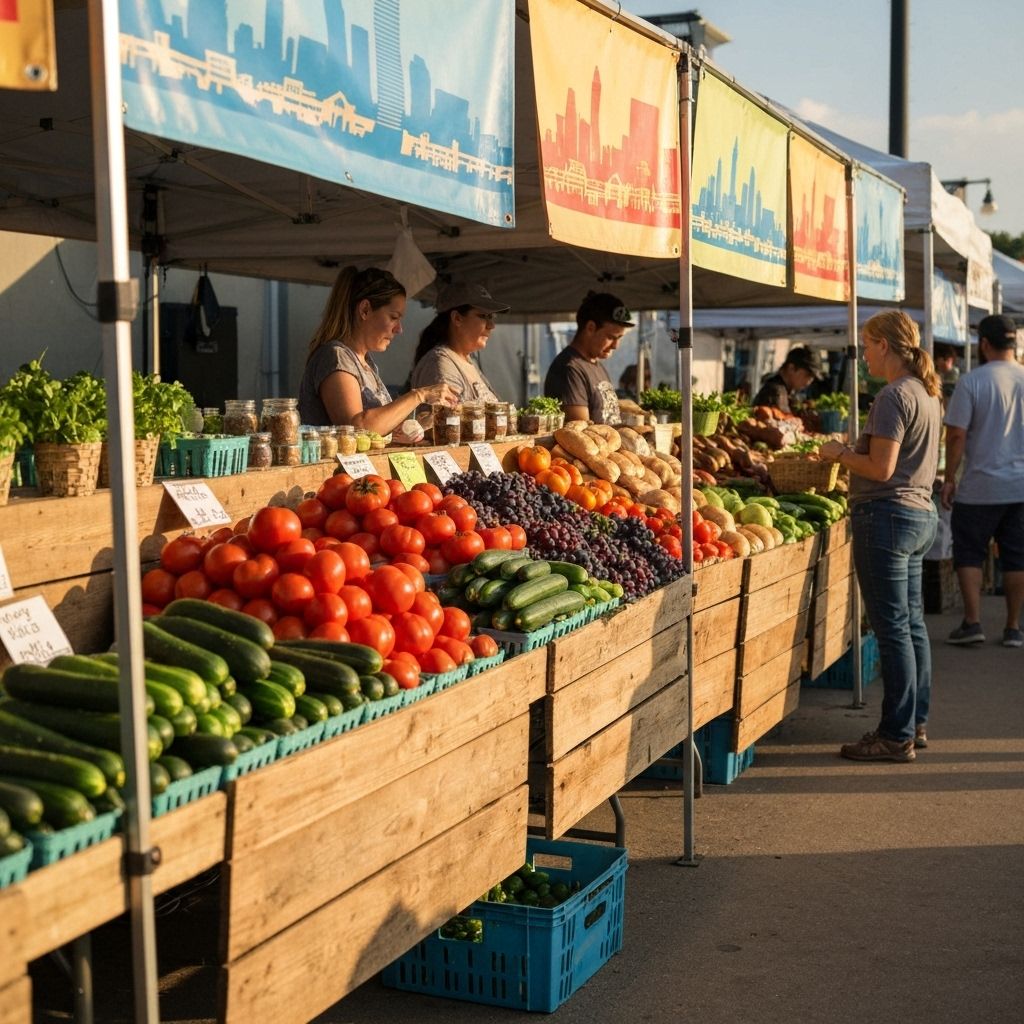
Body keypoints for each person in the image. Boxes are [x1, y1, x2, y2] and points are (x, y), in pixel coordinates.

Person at [820, 311, 942, 762]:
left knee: (893, 630)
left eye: (867, 345)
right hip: (917, 515)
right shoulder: (927, 393)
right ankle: (915, 722)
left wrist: (839, 453)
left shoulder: (894, 396)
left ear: (885, 346)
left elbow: (881, 469)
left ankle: (895, 734)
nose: (864, 354)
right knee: (910, 626)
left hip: (887, 517)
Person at [940, 314, 1024, 648]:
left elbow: (957, 435)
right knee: (1017, 557)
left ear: (984, 344)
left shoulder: (972, 382)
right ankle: (1014, 627)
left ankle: (973, 622)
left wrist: (949, 478)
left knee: (970, 553)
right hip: (1019, 487)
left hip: (979, 487)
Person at [298, 266, 458, 437]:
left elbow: (380, 430)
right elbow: (357, 429)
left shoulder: (365, 363)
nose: (399, 329)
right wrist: (419, 395)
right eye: (394, 317)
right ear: (365, 310)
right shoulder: (335, 357)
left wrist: (422, 423)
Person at [409, 281, 510, 403]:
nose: (491, 325)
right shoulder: (441, 364)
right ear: (457, 318)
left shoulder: (466, 360)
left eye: (491, 317)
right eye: (483, 316)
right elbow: (445, 419)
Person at [544, 291, 633, 423]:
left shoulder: (596, 365)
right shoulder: (569, 369)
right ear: (590, 327)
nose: (615, 346)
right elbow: (582, 433)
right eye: (610, 337)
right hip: (597, 444)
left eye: (620, 338)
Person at [752, 346, 822, 413]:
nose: (810, 381)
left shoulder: (785, 390)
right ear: (791, 368)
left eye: (813, 378)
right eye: (808, 375)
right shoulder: (776, 392)